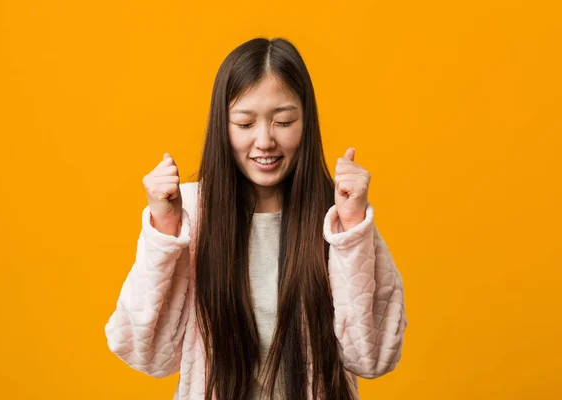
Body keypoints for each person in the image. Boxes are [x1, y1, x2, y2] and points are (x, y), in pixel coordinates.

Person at [104, 37, 408, 400]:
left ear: (306, 122)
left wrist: (353, 228)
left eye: (283, 121)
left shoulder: (337, 217)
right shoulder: (189, 214)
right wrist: (164, 229)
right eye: (245, 124)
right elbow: (145, 353)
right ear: (223, 125)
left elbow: (372, 358)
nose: (264, 141)